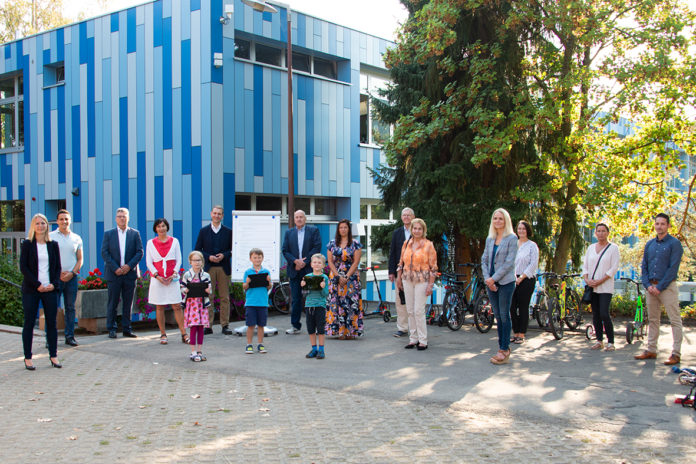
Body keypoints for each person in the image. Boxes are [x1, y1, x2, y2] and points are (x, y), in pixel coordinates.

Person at [636, 213, 684, 365]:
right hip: (651, 287)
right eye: (657, 224)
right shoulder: (650, 244)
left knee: (674, 320)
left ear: (668, 225)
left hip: (667, 286)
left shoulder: (674, 244)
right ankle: (651, 350)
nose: (660, 226)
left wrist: (660, 286)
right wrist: (648, 285)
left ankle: (676, 353)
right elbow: (644, 266)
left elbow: (673, 268)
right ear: (654, 225)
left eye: (663, 224)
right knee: (653, 320)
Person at [20, 214, 62, 370]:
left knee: (52, 323)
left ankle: (53, 355)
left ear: (47, 225)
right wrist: (37, 284)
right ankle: (28, 357)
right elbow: (23, 268)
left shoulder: (53, 245)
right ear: (33, 226)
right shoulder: (27, 244)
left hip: (50, 289)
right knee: (29, 322)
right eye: (37, 223)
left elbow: (58, 268)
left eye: (43, 223)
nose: (40, 226)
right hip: (32, 289)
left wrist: (54, 284)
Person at [481, 208, 518, 365]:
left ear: (506, 221)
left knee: (504, 315)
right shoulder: (490, 239)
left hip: (506, 282)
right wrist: (488, 280)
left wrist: (494, 279)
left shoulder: (512, 238)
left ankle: (505, 349)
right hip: (491, 283)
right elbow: (484, 259)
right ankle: (500, 348)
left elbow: (509, 263)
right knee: (497, 316)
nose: (497, 221)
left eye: (500, 219)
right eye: (495, 218)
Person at [101, 207, 144, 339]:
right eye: (119, 216)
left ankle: (127, 329)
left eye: (124, 216)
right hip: (114, 274)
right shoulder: (109, 234)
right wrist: (116, 268)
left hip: (129, 274)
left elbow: (139, 252)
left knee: (128, 303)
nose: (122, 218)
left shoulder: (134, 233)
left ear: (128, 218)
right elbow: (105, 252)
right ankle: (112, 329)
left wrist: (128, 266)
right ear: (116, 218)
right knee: (113, 302)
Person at [395, 218, 437, 350]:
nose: (417, 231)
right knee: (410, 310)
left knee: (419, 310)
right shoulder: (406, 243)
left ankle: (423, 340)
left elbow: (434, 268)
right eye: (414, 228)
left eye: (419, 228)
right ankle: (413, 339)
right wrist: (399, 278)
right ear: (411, 229)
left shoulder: (428, 245)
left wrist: (430, 285)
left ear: (423, 230)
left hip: (422, 280)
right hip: (407, 279)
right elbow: (401, 263)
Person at [146, 218, 187, 345]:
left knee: (177, 306)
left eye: (163, 226)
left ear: (167, 227)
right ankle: (163, 334)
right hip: (158, 280)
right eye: (159, 226)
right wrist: (158, 276)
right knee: (160, 306)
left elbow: (179, 260)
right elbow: (149, 262)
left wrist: (173, 274)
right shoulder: (150, 243)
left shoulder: (174, 241)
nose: (161, 228)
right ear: (155, 229)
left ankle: (184, 333)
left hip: (172, 279)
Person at [281, 210, 322, 334]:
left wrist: (305, 261)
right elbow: (285, 250)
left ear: (305, 219)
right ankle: (295, 326)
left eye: (301, 217)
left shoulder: (313, 231)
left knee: (312, 298)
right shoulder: (289, 233)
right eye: (296, 217)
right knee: (296, 299)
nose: (299, 219)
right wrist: (295, 261)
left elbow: (317, 247)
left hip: (309, 270)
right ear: (294, 219)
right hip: (295, 271)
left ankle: (314, 326)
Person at [194, 205, 233, 335]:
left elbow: (233, 249)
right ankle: (208, 325)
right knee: (208, 297)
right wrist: (208, 257)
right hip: (209, 268)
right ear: (211, 214)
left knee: (224, 298)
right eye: (215, 213)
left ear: (222, 216)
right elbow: (198, 249)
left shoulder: (228, 231)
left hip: (224, 268)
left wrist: (224, 255)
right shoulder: (203, 231)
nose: (217, 216)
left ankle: (225, 325)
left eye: (219, 214)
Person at [582, 223, 620, 351]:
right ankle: (599, 340)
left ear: (608, 233)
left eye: (603, 231)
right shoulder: (591, 248)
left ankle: (611, 342)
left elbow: (613, 268)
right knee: (596, 314)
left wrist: (600, 280)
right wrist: (587, 280)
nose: (601, 233)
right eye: (598, 231)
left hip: (605, 286)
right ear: (595, 233)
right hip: (592, 286)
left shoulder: (613, 248)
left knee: (604, 313)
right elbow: (585, 266)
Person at [49, 209, 83, 347]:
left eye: (66, 219)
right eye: (61, 219)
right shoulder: (50, 237)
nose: (64, 222)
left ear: (70, 221)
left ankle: (70, 336)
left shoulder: (76, 238)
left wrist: (72, 273)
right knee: (52, 308)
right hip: (55, 278)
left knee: (70, 308)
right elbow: (47, 259)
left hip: (71, 278)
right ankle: (50, 338)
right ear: (57, 221)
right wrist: (57, 274)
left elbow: (80, 259)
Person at [326, 219, 364, 339]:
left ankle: (351, 331)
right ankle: (340, 331)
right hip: (335, 276)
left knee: (350, 303)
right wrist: (338, 276)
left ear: (349, 229)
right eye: (341, 227)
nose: (343, 229)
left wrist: (346, 277)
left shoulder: (355, 244)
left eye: (345, 227)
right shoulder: (332, 244)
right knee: (336, 303)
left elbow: (356, 262)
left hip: (351, 277)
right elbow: (330, 262)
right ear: (338, 229)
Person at [510, 220, 538, 344]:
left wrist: (521, 277)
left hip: (527, 279)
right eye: (519, 228)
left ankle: (521, 334)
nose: (521, 231)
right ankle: (515, 332)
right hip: (512, 279)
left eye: (524, 229)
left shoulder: (532, 246)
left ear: (528, 230)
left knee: (522, 307)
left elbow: (533, 264)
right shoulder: (513, 244)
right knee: (511, 307)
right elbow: (508, 262)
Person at [180, 251, 212, 362]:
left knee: (201, 327)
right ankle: (193, 351)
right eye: (194, 260)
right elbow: (182, 287)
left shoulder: (206, 275)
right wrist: (185, 290)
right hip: (192, 304)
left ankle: (199, 350)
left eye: (199, 260)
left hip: (202, 304)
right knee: (193, 327)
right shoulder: (187, 275)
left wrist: (208, 290)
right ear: (190, 262)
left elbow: (209, 288)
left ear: (202, 262)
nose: (197, 263)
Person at [388, 207, 415, 338]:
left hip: (416, 272)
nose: (406, 217)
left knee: (415, 300)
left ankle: (415, 329)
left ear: (413, 217)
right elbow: (392, 253)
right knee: (400, 300)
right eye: (404, 215)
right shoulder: (397, 233)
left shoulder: (418, 231)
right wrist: (391, 272)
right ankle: (402, 328)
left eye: (408, 215)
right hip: (400, 272)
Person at [242, 248, 272, 353]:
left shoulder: (266, 272)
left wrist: (269, 282)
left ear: (262, 258)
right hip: (251, 303)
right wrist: (247, 282)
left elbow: (269, 287)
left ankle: (260, 344)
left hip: (263, 303)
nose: (257, 259)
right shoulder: (247, 272)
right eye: (255, 257)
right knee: (250, 325)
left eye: (259, 257)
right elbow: (244, 287)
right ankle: (249, 344)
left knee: (261, 325)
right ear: (251, 259)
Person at [302, 253, 330, 359]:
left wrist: (323, 287)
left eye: (319, 263)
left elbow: (325, 294)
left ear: (323, 265)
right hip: (309, 305)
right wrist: (303, 287)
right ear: (311, 264)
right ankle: (314, 348)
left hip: (320, 306)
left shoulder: (324, 278)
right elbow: (305, 294)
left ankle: (321, 349)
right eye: (315, 262)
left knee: (320, 328)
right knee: (310, 328)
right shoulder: (307, 277)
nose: (317, 264)